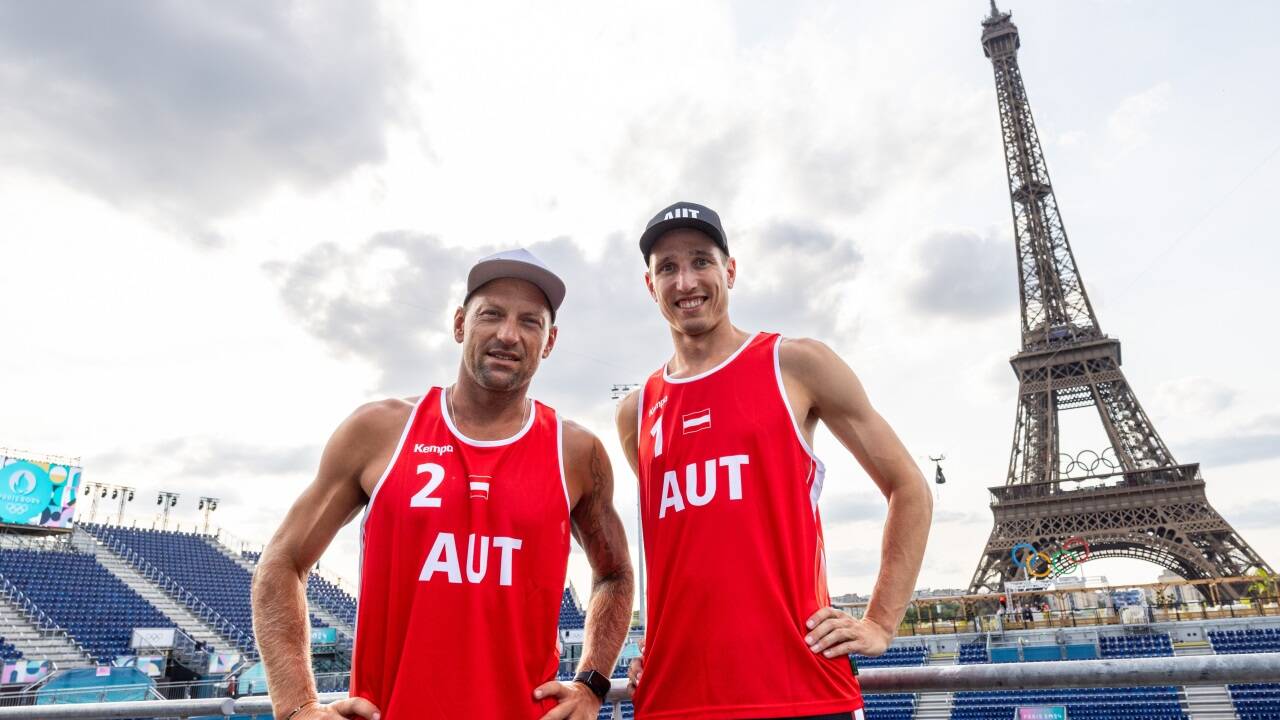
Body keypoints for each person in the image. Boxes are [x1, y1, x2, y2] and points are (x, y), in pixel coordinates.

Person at [252, 249, 635, 720]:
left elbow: (615, 573)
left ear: (550, 340)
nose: (508, 335)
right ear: (459, 324)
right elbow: (282, 561)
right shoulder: (381, 430)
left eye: (530, 322)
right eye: (490, 314)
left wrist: (593, 682)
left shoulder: (575, 452)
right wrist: (296, 707)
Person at [616, 202, 933, 720]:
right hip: (675, 696)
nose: (686, 280)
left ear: (730, 271)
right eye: (667, 268)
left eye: (701, 261)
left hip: (800, 687)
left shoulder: (795, 364)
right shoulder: (636, 410)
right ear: (650, 286)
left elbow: (910, 487)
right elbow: (682, 550)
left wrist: (879, 621)